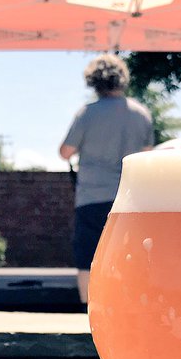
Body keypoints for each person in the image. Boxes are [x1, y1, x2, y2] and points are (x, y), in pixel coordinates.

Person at [60, 54, 154, 303]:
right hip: (130, 200)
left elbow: (65, 152)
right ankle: (126, 309)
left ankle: (88, 313)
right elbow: (148, 156)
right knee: (129, 256)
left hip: (91, 197)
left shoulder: (86, 114)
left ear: (93, 82)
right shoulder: (141, 114)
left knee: (87, 256)